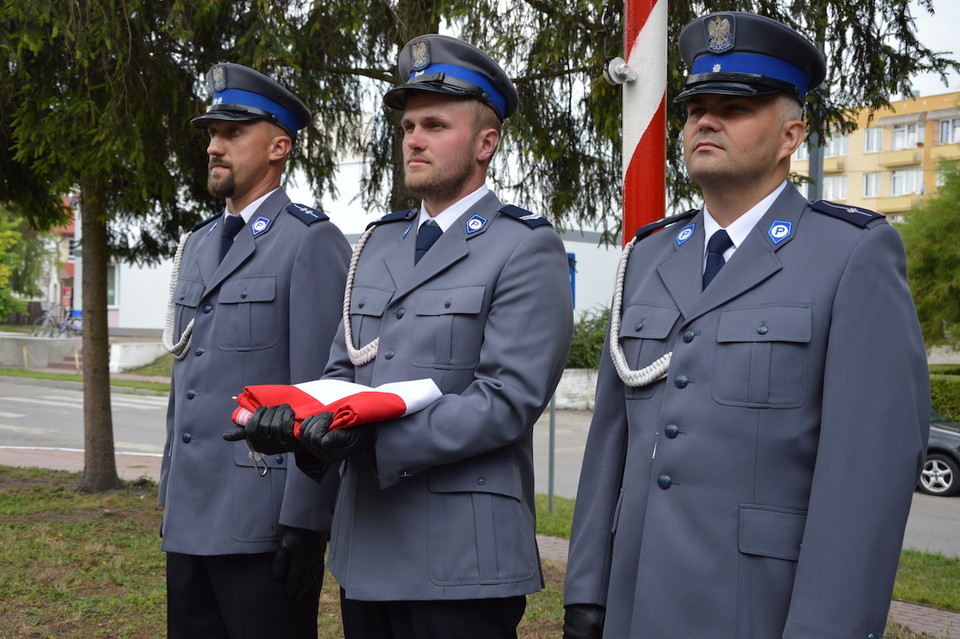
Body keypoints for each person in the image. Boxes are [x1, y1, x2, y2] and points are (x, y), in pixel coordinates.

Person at [562, 12, 930, 639]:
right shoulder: (649, 255)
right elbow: (610, 446)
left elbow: (866, 477)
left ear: (791, 135)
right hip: (634, 602)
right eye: (695, 107)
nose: (706, 120)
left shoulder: (850, 254)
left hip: (759, 608)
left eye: (735, 107)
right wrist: (587, 590)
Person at [232, 34, 574, 639]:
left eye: (435, 124)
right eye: (409, 124)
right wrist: (302, 425)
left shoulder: (523, 247)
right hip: (368, 551)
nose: (413, 138)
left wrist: (368, 440)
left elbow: (508, 399)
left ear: (485, 143)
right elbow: (344, 370)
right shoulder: (379, 242)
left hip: (464, 558)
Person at [158, 62, 351, 639]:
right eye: (212, 133)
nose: (215, 146)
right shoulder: (197, 245)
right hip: (190, 518)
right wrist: (170, 495)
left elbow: (321, 392)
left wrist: (306, 522)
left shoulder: (310, 242)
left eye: (233, 132)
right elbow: (187, 384)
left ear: (278, 146)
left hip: (262, 524)